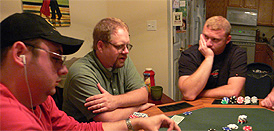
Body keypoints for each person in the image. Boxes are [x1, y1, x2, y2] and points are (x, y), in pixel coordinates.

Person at [0, 13, 180, 131]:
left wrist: (137, 121)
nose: (64, 70)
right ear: (19, 54)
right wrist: (136, 110)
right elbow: (105, 118)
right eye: (55, 58)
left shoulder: (41, 101)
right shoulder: (13, 120)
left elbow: (77, 129)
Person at [62, 17, 152, 122]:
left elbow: (143, 94)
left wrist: (115, 101)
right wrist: (137, 108)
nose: (126, 51)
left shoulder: (122, 60)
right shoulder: (81, 73)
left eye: (127, 46)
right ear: (100, 46)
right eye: (120, 46)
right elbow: (106, 119)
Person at [178, 16, 247, 100]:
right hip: (196, 105)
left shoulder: (237, 53)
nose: (208, 44)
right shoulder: (189, 54)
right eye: (206, 37)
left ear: (227, 40)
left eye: (215, 39)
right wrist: (209, 58)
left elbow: (233, 91)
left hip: (224, 105)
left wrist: (198, 93)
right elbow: (189, 94)